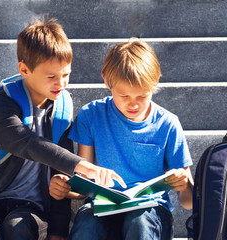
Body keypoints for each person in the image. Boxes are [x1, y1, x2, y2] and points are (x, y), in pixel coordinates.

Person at [0, 18, 125, 240]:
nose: (61, 84)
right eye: (51, 77)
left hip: (29, 205)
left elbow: (59, 176)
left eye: (66, 75)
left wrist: (58, 232)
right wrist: (84, 167)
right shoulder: (2, 104)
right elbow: (29, 144)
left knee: (19, 228)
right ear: (24, 69)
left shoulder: (60, 110)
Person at [49, 39, 194, 240]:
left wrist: (185, 184)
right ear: (107, 80)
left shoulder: (168, 124)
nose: (133, 104)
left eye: (142, 96)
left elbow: (188, 203)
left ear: (154, 84)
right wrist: (66, 187)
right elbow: (84, 185)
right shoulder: (92, 115)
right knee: (86, 226)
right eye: (123, 96)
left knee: (138, 222)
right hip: (102, 206)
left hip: (150, 211)